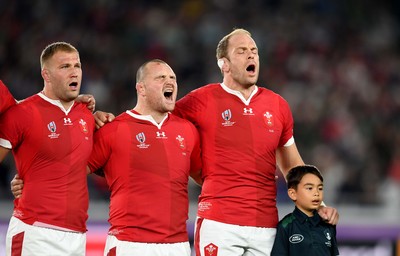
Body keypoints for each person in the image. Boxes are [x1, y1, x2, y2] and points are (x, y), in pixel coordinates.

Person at [172, 28, 339, 256]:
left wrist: (317, 205)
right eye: (242, 51)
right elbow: (156, 122)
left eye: (254, 51)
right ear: (225, 64)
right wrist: (109, 121)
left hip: (265, 226)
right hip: (219, 223)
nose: (251, 56)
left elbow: (292, 166)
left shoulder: (277, 106)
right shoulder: (200, 100)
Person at [0, 42, 96, 255]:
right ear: (46, 74)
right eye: (65, 67)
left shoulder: (86, 115)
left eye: (77, 66)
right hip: (35, 233)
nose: (74, 72)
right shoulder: (21, 113)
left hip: (78, 235)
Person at [271, 165, 339, 256]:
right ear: (293, 194)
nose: (316, 193)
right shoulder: (286, 226)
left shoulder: (328, 224)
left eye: (320, 188)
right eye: (309, 188)